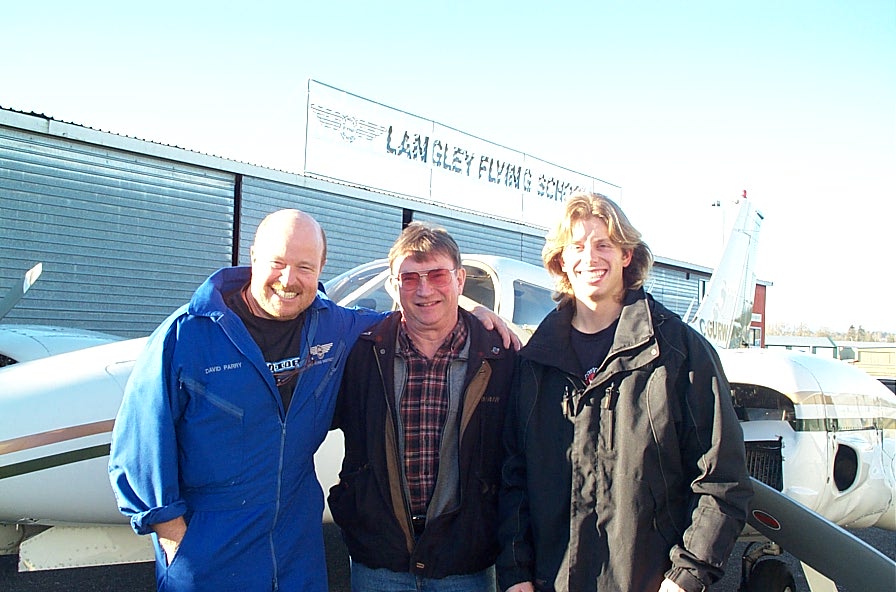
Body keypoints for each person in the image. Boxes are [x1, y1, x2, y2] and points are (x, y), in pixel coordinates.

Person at [108, 209, 515, 592]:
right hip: (210, 543)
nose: (289, 279)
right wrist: (172, 531)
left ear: (321, 270)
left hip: (296, 544)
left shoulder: (335, 327)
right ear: (252, 258)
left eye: (305, 267)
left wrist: (472, 309)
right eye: (277, 262)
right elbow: (139, 441)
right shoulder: (185, 336)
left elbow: (420, 314)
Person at [496, 193, 753, 592]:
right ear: (561, 261)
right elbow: (513, 478)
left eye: (603, 245)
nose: (590, 257)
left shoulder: (680, 354)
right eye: (577, 247)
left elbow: (721, 479)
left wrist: (686, 577)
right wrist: (516, 575)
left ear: (627, 255)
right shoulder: (535, 363)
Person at [327, 221, 516, 592]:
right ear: (392, 286)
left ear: (460, 280)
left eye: (438, 275)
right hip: (379, 561)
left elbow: (521, 465)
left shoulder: (502, 359)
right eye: (410, 278)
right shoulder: (361, 352)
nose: (424, 289)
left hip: (465, 565)